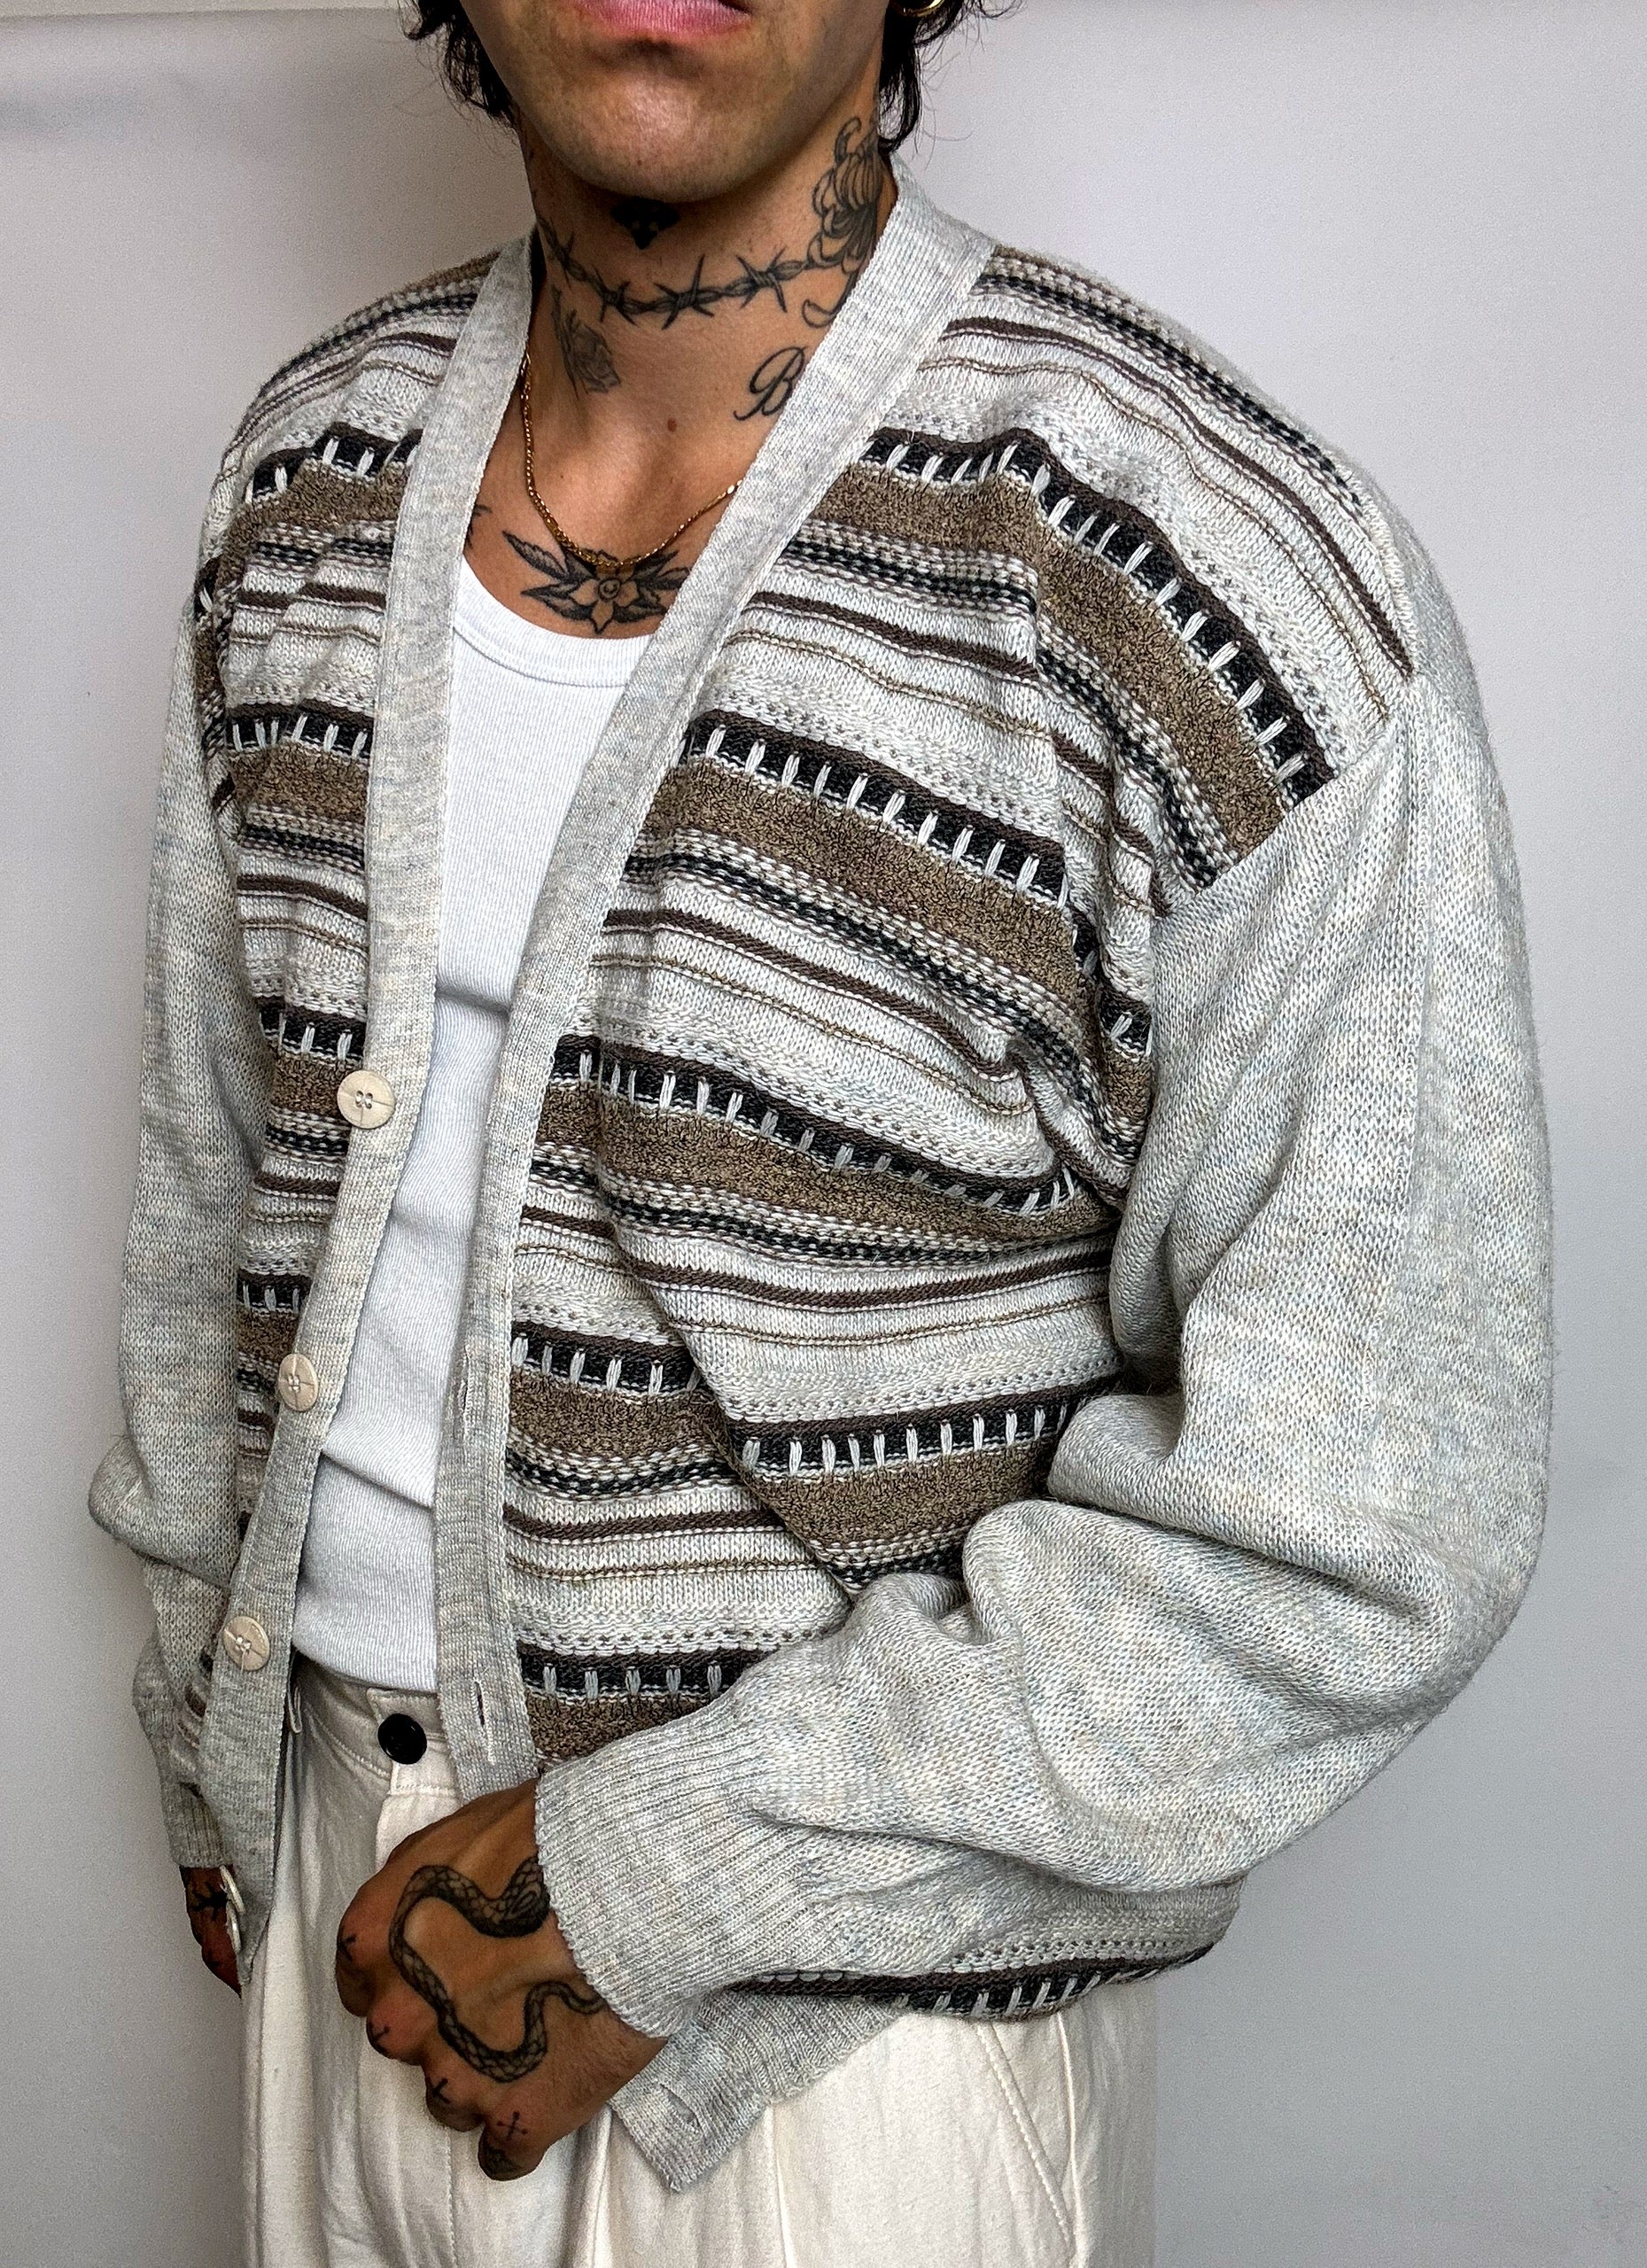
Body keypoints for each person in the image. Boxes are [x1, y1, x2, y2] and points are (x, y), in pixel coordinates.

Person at [89, 0, 1554, 2259]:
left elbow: (1367, 1515)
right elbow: (222, 1170)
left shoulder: (1203, 570)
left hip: (835, 2053)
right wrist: (212, 1688)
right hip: (337, 1923)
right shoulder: (310, 475)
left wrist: (667, 1878)